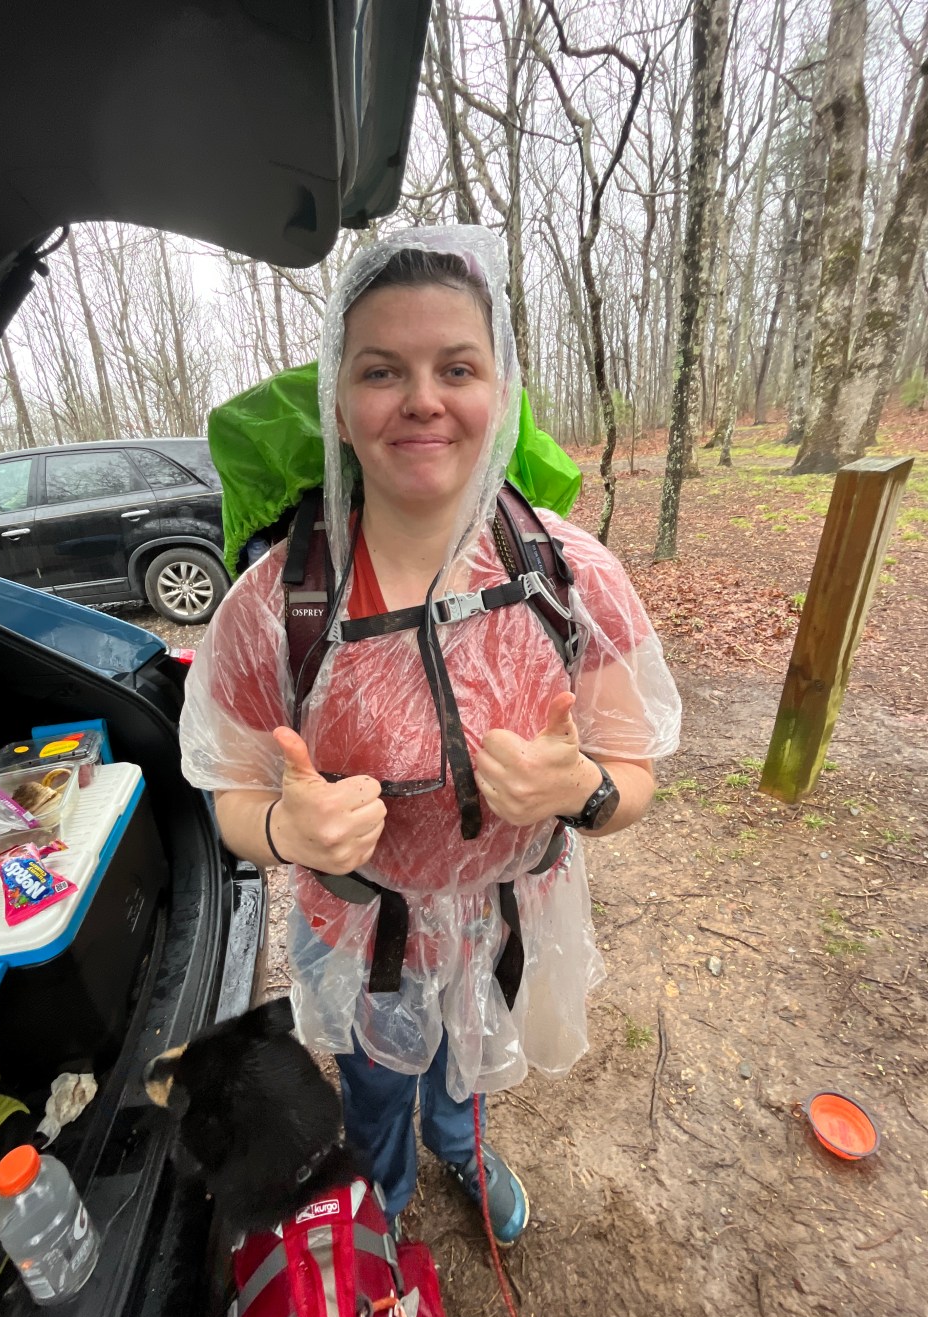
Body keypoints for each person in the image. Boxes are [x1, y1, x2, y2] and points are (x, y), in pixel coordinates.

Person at [180, 225, 681, 1246]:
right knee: (373, 1080)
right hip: (361, 932)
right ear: (338, 402)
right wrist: (287, 831)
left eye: (456, 366)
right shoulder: (275, 605)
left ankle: (459, 1144)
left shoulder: (571, 579)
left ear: (499, 389)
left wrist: (580, 790)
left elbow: (632, 777)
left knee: (466, 1057)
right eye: (381, 370)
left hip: (507, 917)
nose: (421, 399)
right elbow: (228, 795)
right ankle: (389, 1194)